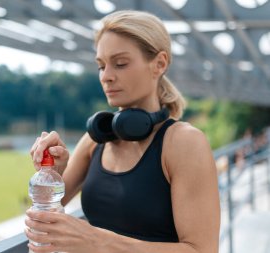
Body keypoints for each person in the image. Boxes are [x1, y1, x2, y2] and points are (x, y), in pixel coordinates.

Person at [25, 10, 220, 253]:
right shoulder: (96, 139)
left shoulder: (184, 143)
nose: (106, 76)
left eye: (120, 64)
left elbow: (202, 250)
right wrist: (52, 171)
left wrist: (96, 241)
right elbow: (47, 212)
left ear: (159, 64)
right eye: (101, 66)